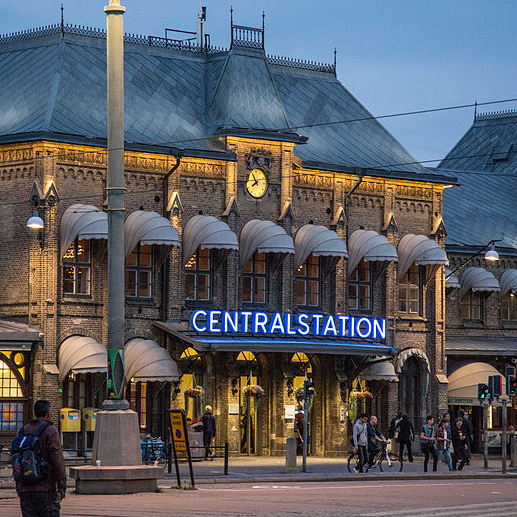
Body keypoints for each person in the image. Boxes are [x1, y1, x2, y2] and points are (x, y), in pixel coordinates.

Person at [15, 400, 66, 517]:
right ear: (48, 414)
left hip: (24, 488)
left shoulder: (22, 432)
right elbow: (57, 460)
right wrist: (61, 486)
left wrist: (18, 487)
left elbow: (16, 460)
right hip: (45, 488)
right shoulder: (50, 431)